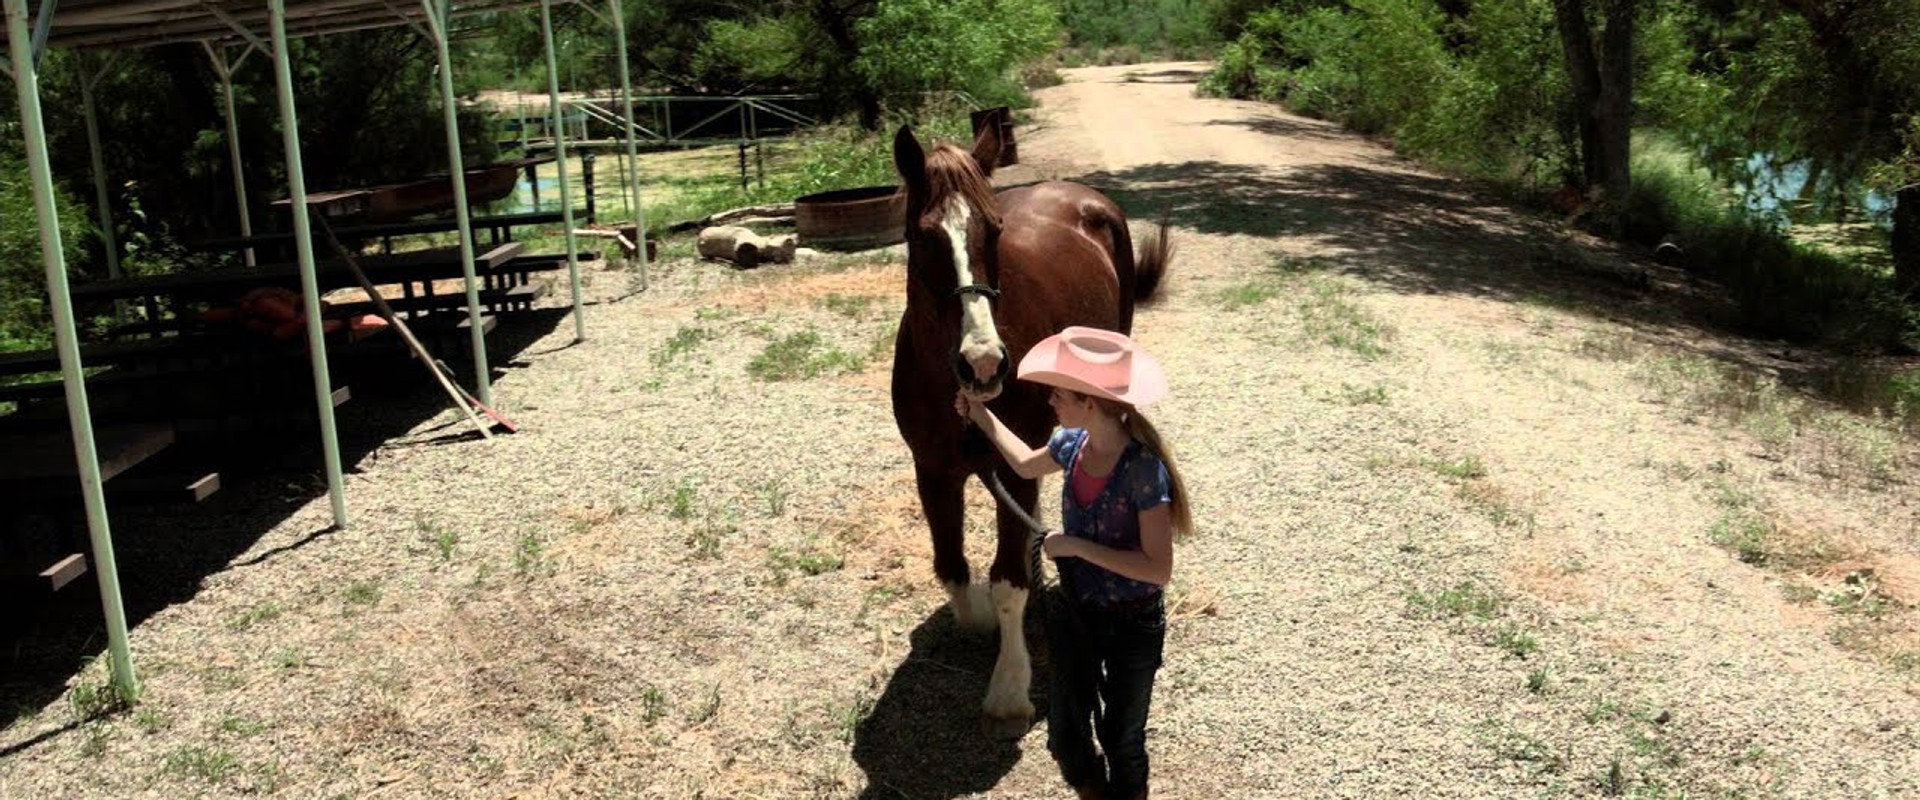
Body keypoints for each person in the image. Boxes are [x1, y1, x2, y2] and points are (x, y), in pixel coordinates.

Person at [954, 325, 1193, 800]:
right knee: (1065, 735)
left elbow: (1157, 570)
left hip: (1133, 625)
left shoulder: (1144, 472)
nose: (1050, 402)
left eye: (1059, 394)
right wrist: (980, 414)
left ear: (1089, 401)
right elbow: (1023, 463)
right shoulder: (1072, 446)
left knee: (1123, 740)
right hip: (1079, 613)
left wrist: (1077, 546)